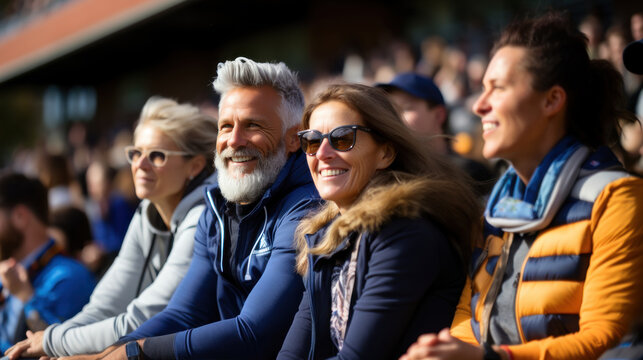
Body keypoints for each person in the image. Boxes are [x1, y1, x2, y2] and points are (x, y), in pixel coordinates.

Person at [401, 12, 643, 360]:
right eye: (481, 88)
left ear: (552, 100)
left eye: (497, 88)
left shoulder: (617, 199)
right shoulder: (496, 207)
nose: (477, 105)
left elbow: (604, 340)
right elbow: (470, 318)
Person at [60, 57, 320, 360]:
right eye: (226, 126)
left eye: (252, 125)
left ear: (293, 138)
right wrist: (107, 355)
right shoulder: (217, 206)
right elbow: (183, 313)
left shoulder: (306, 207)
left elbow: (254, 332)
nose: (234, 141)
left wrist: (134, 352)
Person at [277, 83, 481, 359]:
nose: (322, 154)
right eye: (312, 141)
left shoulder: (405, 232)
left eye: (342, 138)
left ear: (385, 153)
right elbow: (294, 351)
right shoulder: (325, 234)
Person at [4, 96, 218, 359]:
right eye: (136, 153)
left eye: (157, 155)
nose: (139, 164)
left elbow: (143, 318)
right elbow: (104, 305)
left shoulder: (202, 218)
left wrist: (52, 341)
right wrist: (54, 344)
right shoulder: (145, 213)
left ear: (194, 166)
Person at [0, 173, 95, 352]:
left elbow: (68, 349)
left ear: (20, 216)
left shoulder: (70, 277)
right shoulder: (8, 272)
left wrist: (27, 298)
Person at [376, 73, 496, 196]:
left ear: (439, 115)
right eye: (391, 111)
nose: (395, 118)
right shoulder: (386, 177)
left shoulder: (471, 173)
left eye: (406, 108)